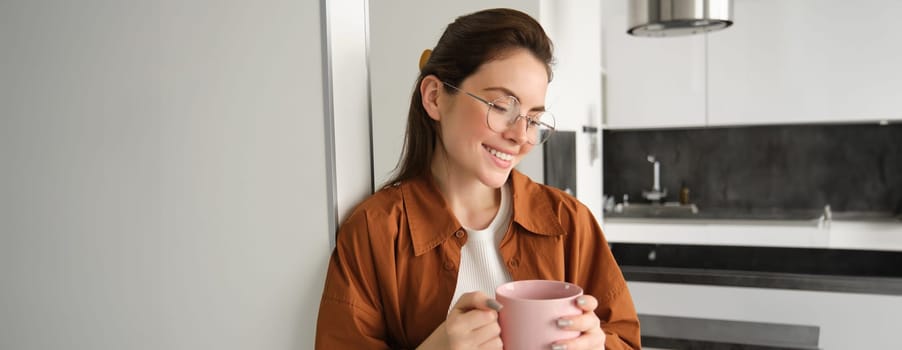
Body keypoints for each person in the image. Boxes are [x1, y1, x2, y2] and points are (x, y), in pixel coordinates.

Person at [316, 8, 640, 350]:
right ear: (434, 97)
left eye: (533, 118)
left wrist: (599, 346)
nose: (521, 136)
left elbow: (626, 340)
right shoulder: (374, 231)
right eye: (502, 105)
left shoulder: (571, 223)